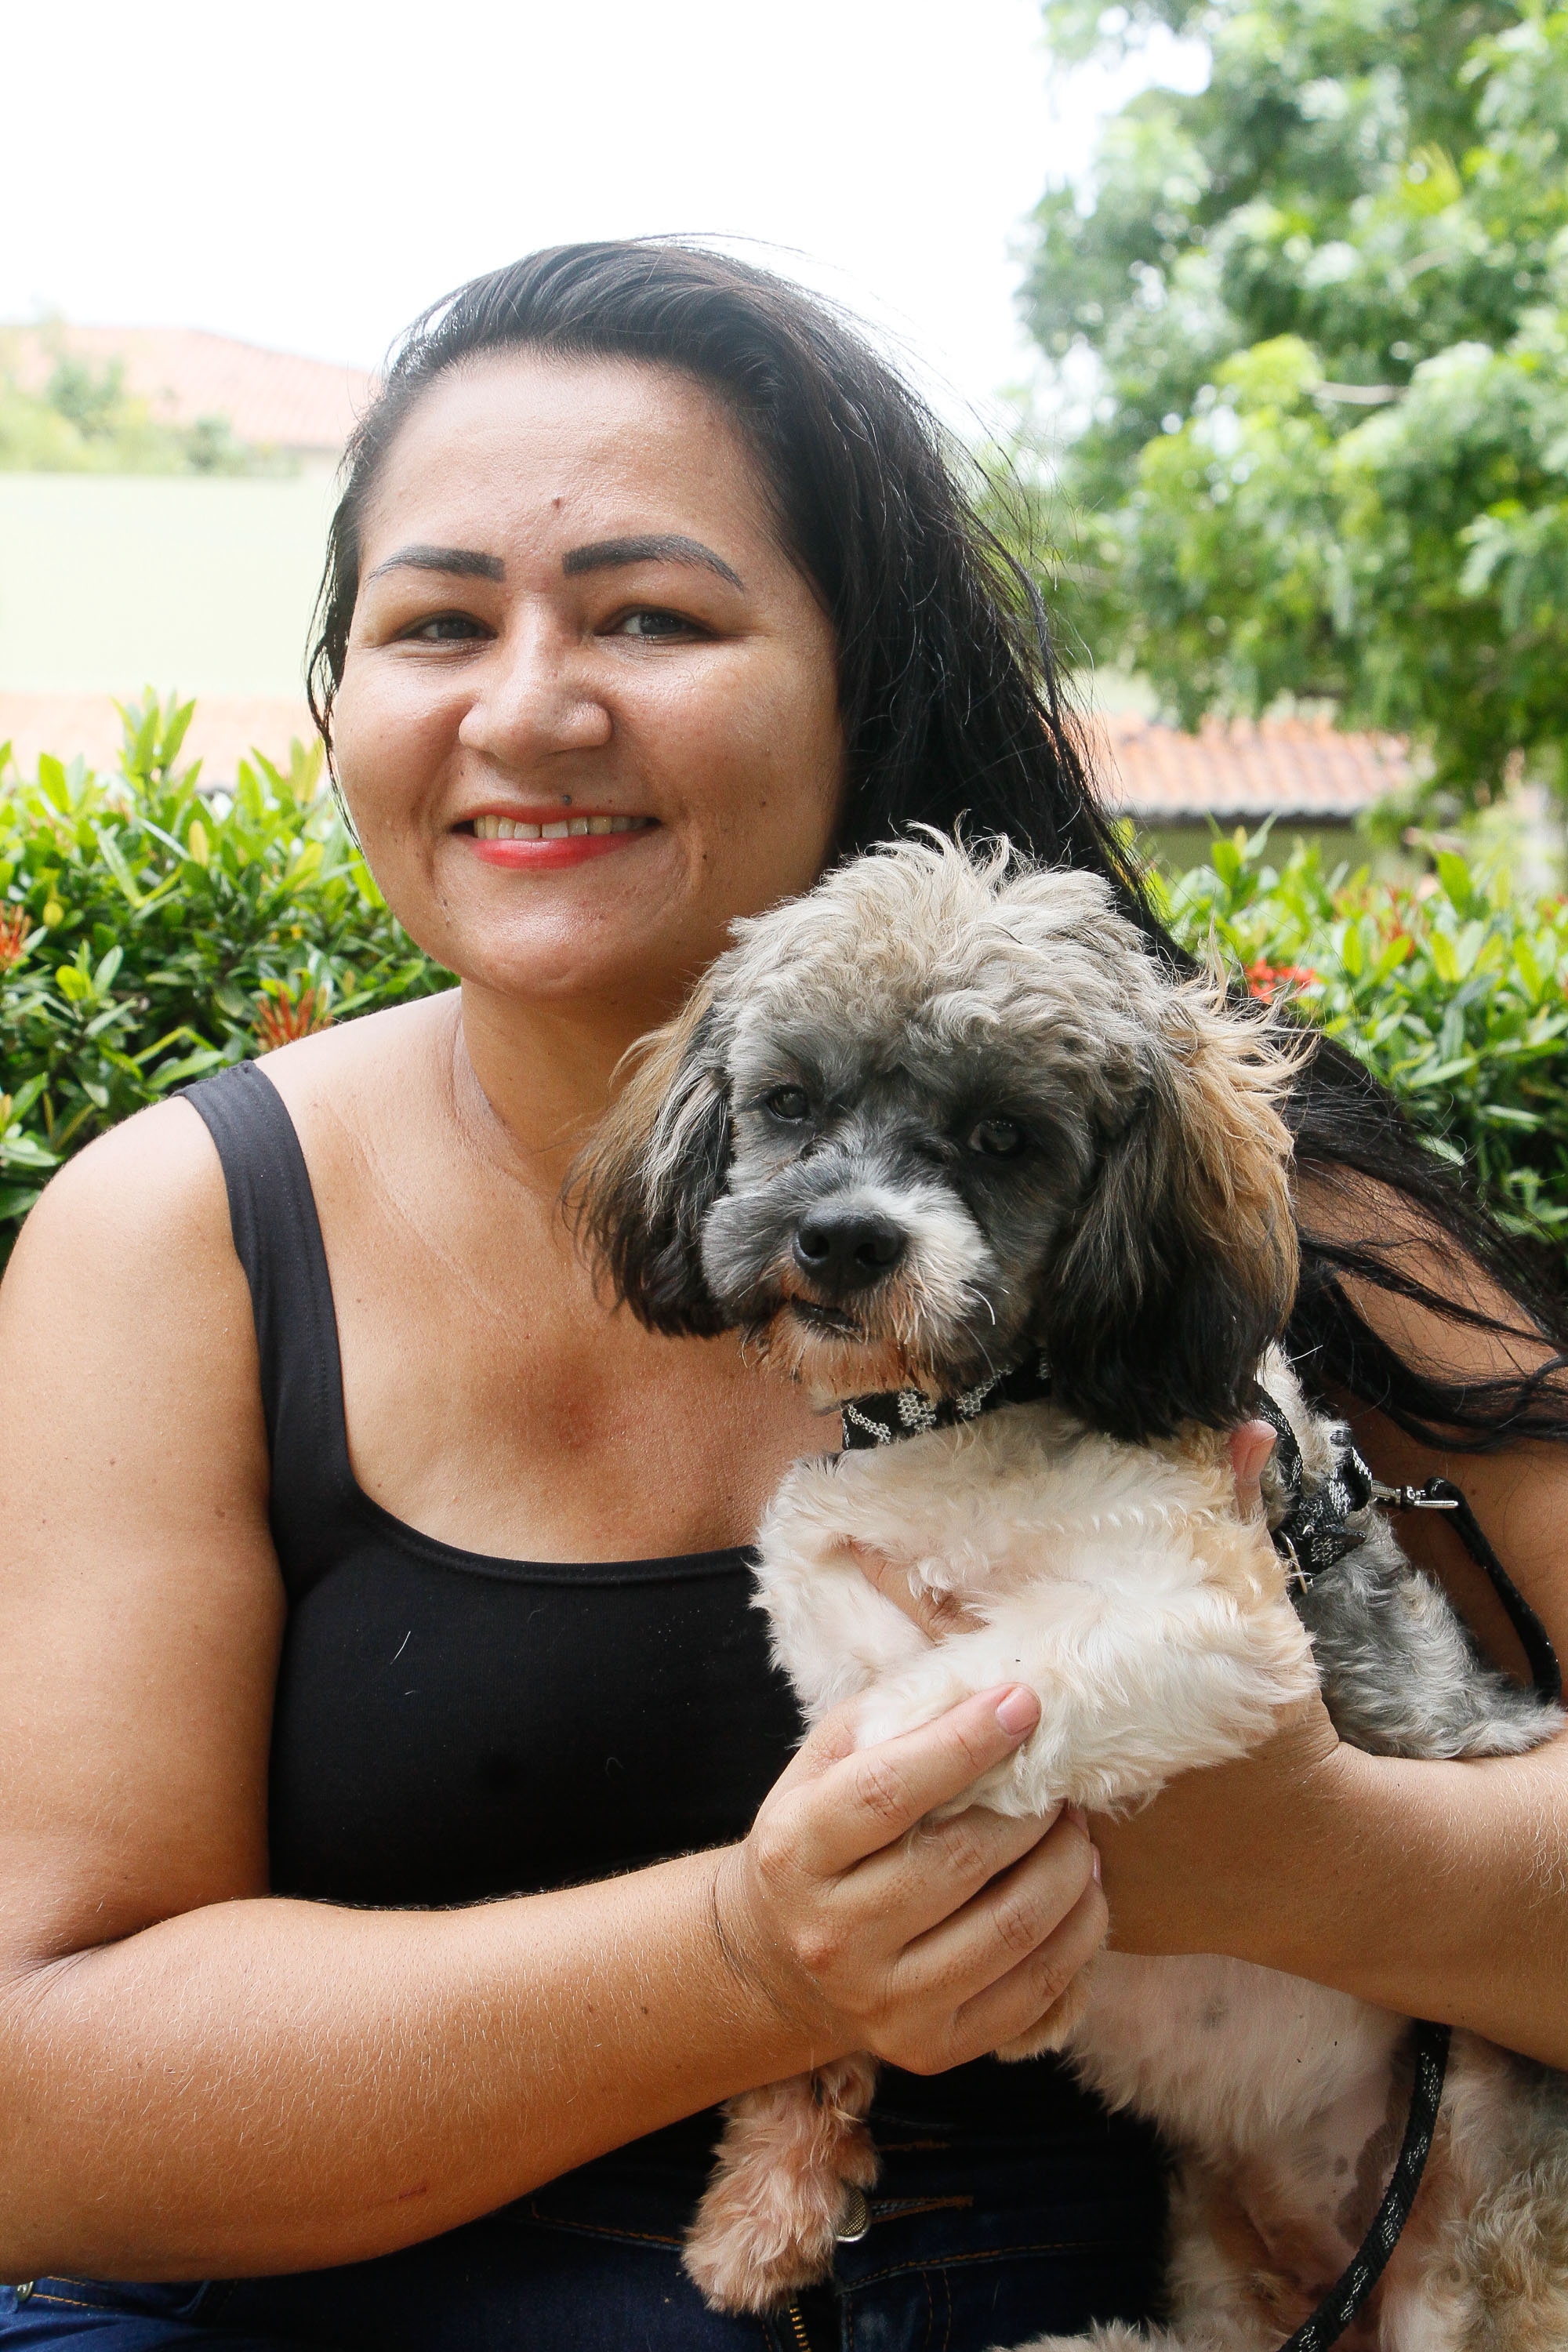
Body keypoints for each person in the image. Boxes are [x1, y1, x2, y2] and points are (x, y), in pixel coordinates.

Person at [0, 242, 1564, 2352]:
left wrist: (1327, 1862)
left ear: (862, 681)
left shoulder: (1247, 1195)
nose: (529, 705)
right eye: (435, 620)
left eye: (652, 613)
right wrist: (752, 1957)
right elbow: (41, 2108)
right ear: (345, 695)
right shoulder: (176, 1237)